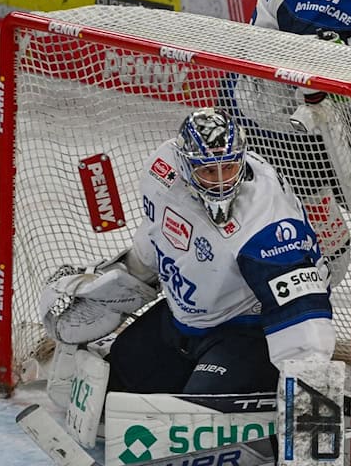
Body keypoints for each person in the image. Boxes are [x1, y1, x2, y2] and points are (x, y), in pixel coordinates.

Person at [39, 107, 335, 395]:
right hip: (182, 320)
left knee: (197, 413)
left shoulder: (267, 221)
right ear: (185, 164)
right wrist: (121, 281)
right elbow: (156, 235)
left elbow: (301, 313)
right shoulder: (162, 169)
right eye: (208, 170)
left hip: (247, 330)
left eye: (229, 167)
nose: (221, 181)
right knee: (118, 379)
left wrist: (308, 405)